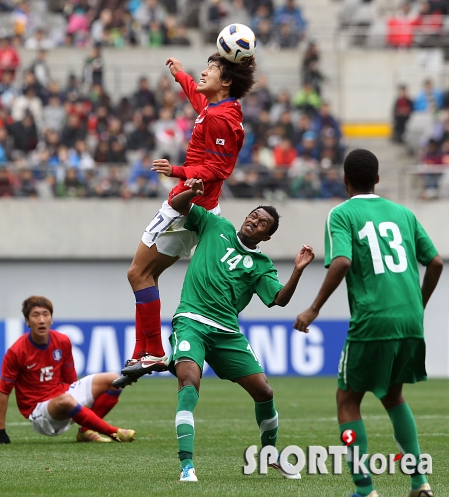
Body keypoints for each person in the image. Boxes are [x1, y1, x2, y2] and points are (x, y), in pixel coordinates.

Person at [122, 178, 314, 481]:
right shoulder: (214, 224)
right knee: (189, 382)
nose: (255, 221)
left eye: (263, 222)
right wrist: (192, 192)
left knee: (264, 391)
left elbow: (278, 300)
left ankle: (270, 455)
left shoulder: (261, 264)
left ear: (267, 234)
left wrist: (298, 272)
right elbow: (179, 206)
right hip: (192, 321)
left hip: (227, 332)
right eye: (254, 215)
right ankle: (187, 465)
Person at [294, 149, 443, 497]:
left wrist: (314, 308)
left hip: (373, 318)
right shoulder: (403, 213)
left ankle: (364, 489)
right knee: (393, 395)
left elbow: (342, 261)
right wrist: (418, 306)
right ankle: (420, 481)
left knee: (347, 400)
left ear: (344, 180)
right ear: (377, 179)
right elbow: (435, 262)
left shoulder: (342, 213)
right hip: (411, 319)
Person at [114, 53, 257, 387]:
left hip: (186, 206)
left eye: (212, 69)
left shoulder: (222, 118)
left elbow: (219, 170)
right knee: (145, 274)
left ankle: (150, 351)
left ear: (225, 82)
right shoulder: (216, 108)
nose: (203, 72)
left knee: (139, 272)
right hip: (190, 203)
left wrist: (178, 171)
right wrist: (181, 75)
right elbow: (198, 97)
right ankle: (143, 352)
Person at [0, 296, 136, 444]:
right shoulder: (16, 351)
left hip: (63, 398)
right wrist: (1, 432)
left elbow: (70, 381)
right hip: (39, 413)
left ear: (51, 319)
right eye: (35, 315)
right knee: (66, 399)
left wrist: (77, 405)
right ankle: (114, 433)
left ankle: (85, 431)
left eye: (45, 314)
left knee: (114, 380)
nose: (41, 320)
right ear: (27, 321)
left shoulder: (62, 341)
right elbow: (4, 391)